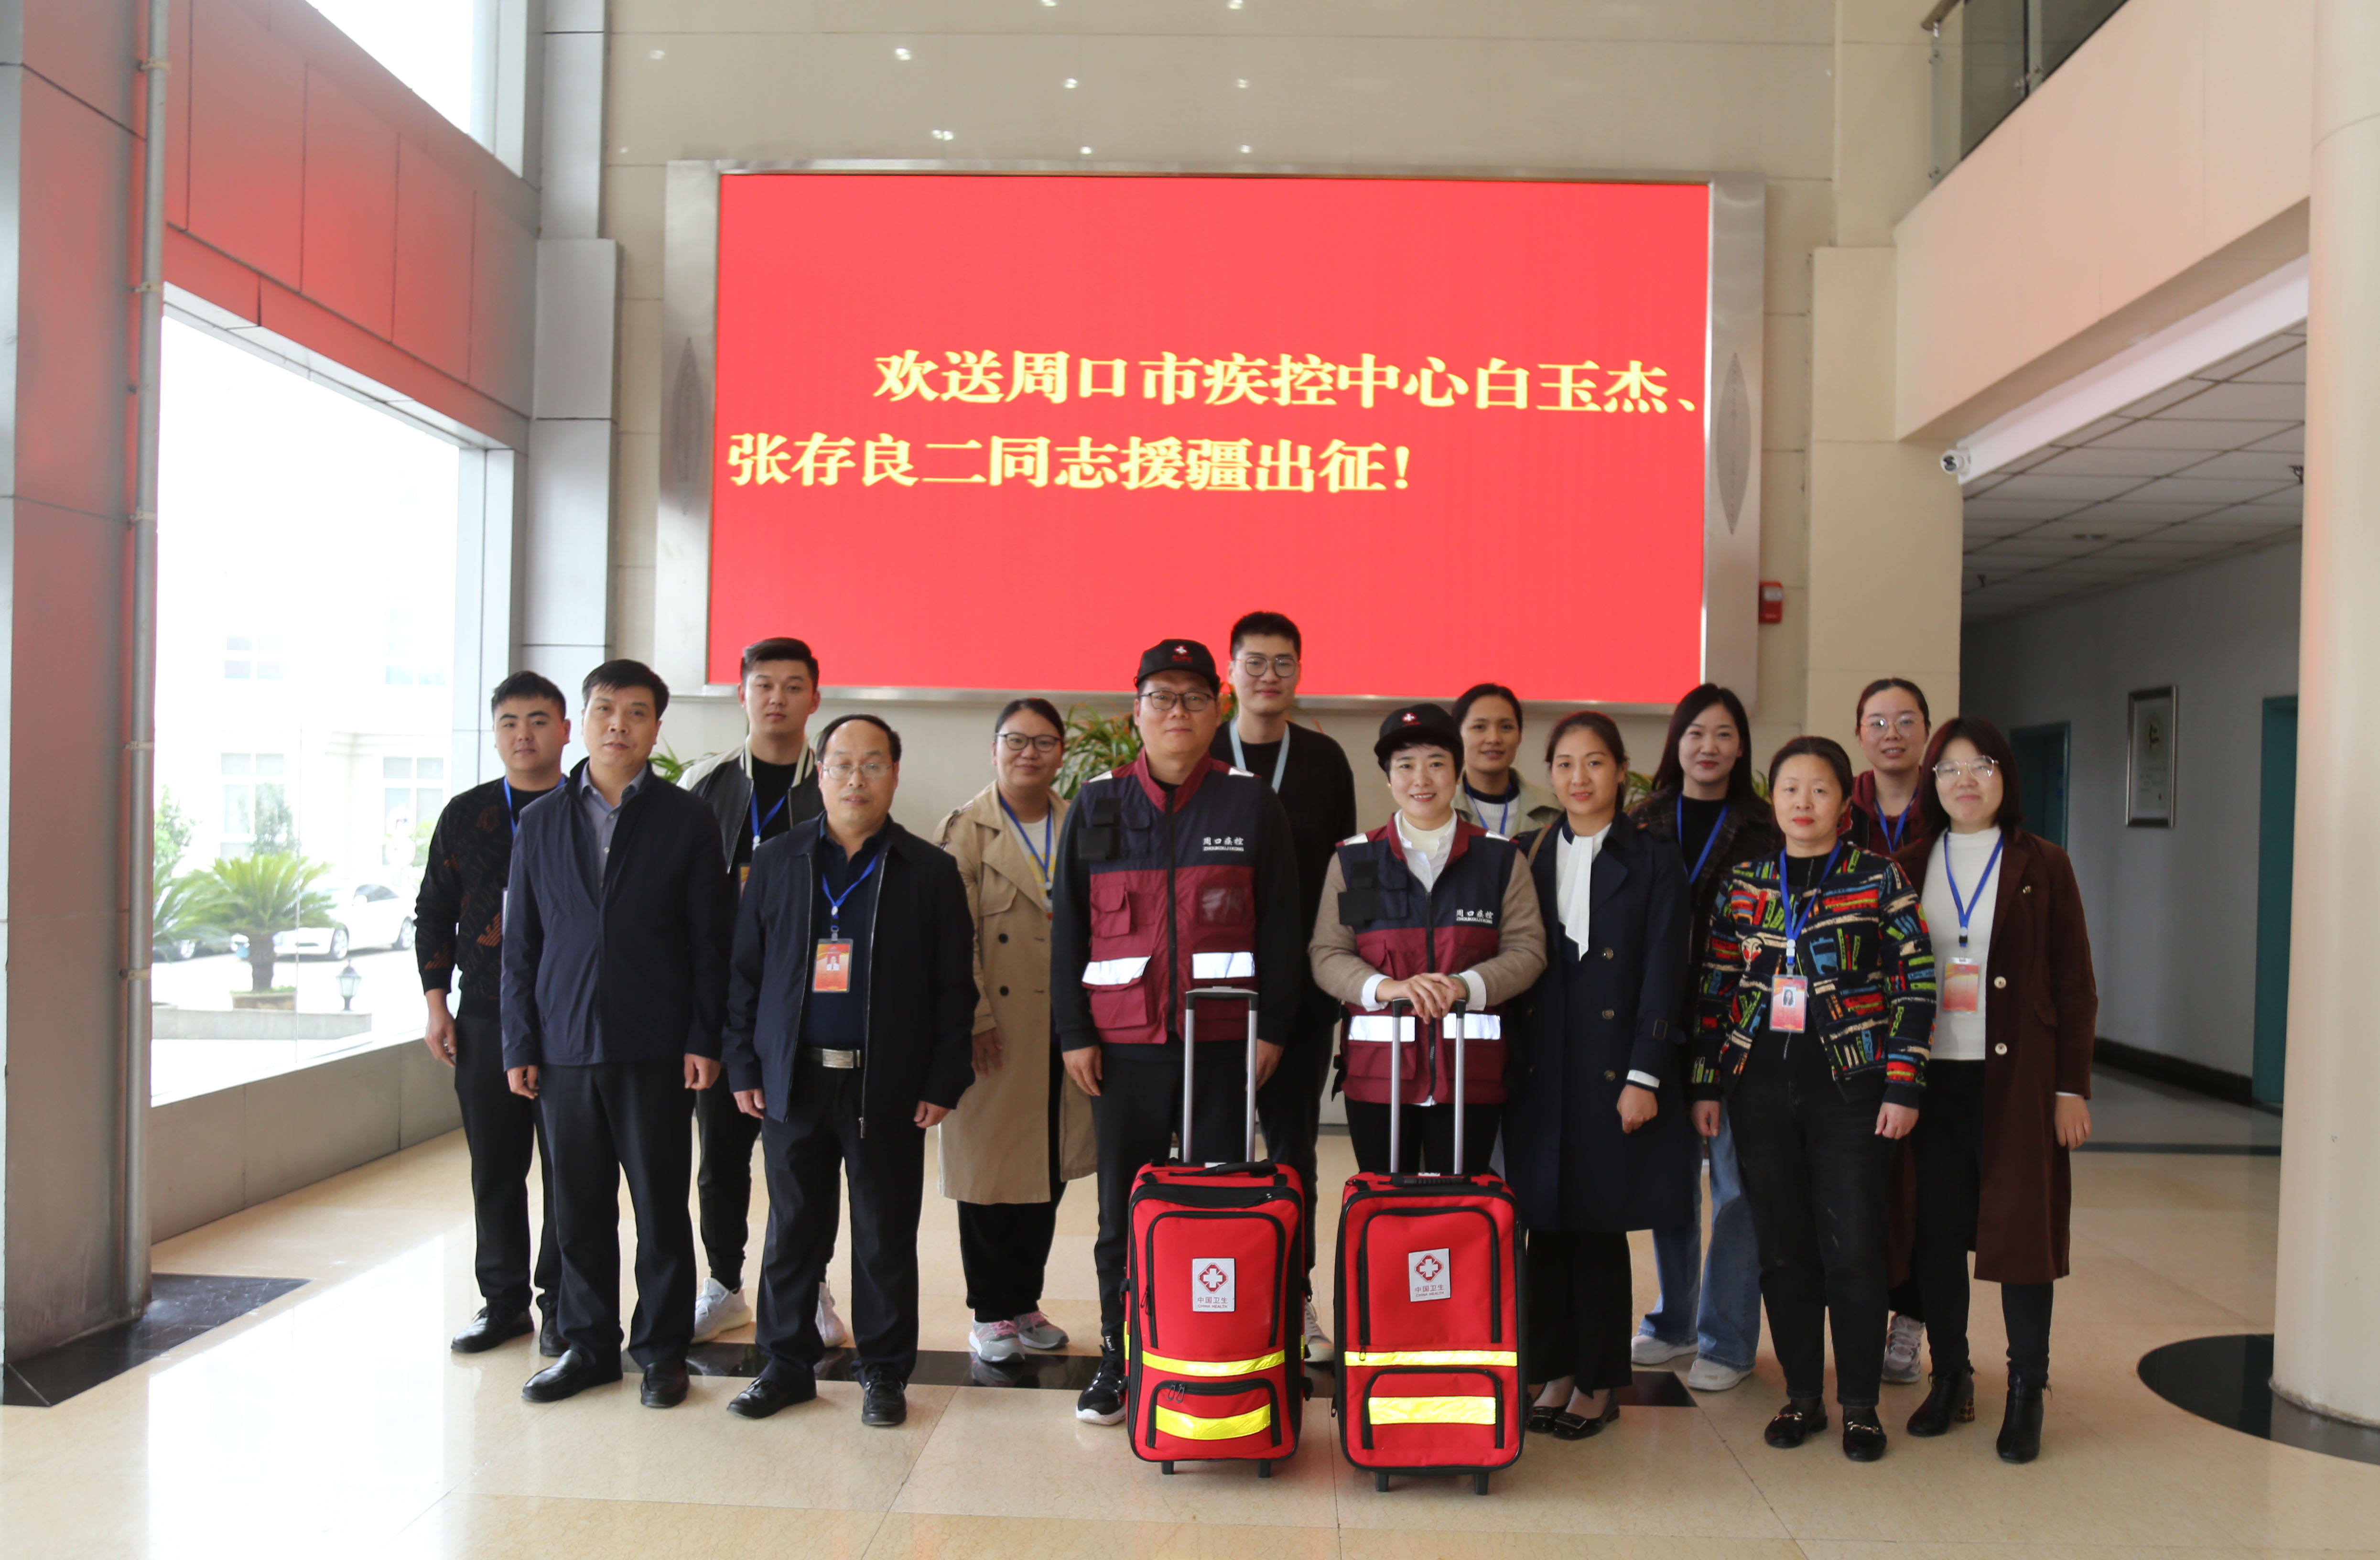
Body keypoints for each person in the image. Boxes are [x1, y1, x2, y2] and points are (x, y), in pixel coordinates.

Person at [1050, 639, 1303, 1427]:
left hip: (1222, 1044)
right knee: (1121, 1210)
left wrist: (1274, 1028)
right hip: (1122, 1045)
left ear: (1215, 710)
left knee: (1217, 1202)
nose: (1177, 711)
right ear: (1137, 711)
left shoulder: (1250, 803)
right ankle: (1119, 1358)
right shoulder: (1096, 803)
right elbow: (1070, 928)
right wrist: (1073, 1030)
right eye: (1161, 697)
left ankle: (1210, 1351)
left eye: (1194, 697)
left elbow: (1282, 923)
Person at [719, 715, 977, 1428]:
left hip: (886, 1084)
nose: (855, 779)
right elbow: (744, 974)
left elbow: (955, 988)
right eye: (841, 764)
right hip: (793, 1079)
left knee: (884, 1236)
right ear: (821, 770)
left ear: (894, 773)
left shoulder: (929, 871)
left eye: (872, 765)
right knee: (792, 1232)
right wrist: (744, 1061)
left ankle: (884, 1372)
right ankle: (785, 1366)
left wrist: (943, 1078)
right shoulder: (778, 860)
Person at [1693, 736, 1934, 1462]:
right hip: (1759, 1088)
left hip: (1853, 1091)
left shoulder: (1878, 878)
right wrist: (1706, 1083)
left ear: (1843, 802)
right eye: (1790, 788)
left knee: (1853, 1246)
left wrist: (1904, 1082)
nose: (1804, 802)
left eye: (1820, 789)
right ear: (1773, 799)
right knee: (1784, 1249)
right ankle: (1802, 1396)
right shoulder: (1745, 883)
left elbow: (1915, 983)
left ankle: (1859, 1405)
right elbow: (1716, 985)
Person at [501, 661, 732, 1409]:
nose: (619, 725)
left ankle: (662, 1350)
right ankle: (588, 1347)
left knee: (661, 1208)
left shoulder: (687, 818)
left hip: (655, 1045)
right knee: (577, 1210)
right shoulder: (541, 821)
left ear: (656, 728)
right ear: (584, 721)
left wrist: (703, 1037)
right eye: (605, 709)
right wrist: (519, 1043)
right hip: (563, 1047)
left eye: (636, 713)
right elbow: (521, 945)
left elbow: (709, 941)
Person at [1895, 718, 2097, 1463]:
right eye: (1948, 769)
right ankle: (1950, 1375)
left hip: (2019, 1081)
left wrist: (2071, 1088)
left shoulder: (2045, 864)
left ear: (2004, 776)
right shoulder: (1908, 864)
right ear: (1932, 784)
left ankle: (2026, 1389)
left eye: (1980, 765)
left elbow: (2074, 982)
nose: (1965, 781)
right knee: (1935, 1233)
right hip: (1930, 1079)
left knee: (2022, 1237)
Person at [1502, 712, 1690, 1440]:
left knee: (1599, 1225)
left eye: (1595, 763)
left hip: (1614, 1070)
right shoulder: (1528, 853)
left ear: (1621, 770)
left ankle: (1600, 1380)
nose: (1579, 778)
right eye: (1565, 764)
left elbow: (1665, 973)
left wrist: (1645, 1074)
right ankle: (1551, 1369)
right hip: (1542, 1067)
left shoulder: (1654, 858)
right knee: (1545, 1224)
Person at [678, 637, 838, 1348]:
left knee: (807, 1159)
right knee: (721, 1157)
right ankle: (724, 1284)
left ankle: (812, 1284)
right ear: (742, 694)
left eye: (793, 686)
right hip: (724, 1003)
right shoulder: (706, 784)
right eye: (764, 685)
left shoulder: (832, 781)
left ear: (815, 698)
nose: (777, 698)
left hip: (807, 1005)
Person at [1209, 609, 1358, 1362]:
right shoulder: (1202, 749)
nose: (1268, 676)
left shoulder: (1325, 761)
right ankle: (1217, 1301)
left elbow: (1346, 880)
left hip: (1299, 994)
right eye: (1254, 662)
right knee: (1212, 1150)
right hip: (1211, 994)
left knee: (1295, 1151)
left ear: (1300, 672)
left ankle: (1297, 1301)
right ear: (1230, 671)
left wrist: (1342, 988)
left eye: (1283, 664)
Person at [1309, 703, 1545, 1176]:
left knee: (1460, 1209)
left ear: (1457, 772)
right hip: (1378, 1075)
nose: (1421, 778)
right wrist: (1389, 988)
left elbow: (1528, 950)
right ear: (1388, 778)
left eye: (1436, 763)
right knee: (1383, 1207)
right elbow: (1328, 953)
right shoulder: (1356, 862)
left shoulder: (1500, 860)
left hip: (1470, 1075)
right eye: (1405, 765)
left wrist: (1463, 986)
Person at [934, 699, 1096, 1363]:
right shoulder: (965, 829)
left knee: (1047, 1169)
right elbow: (954, 938)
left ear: (1061, 753)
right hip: (997, 1029)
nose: (1029, 753)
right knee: (990, 1174)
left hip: (1065, 1026)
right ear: (994, 748)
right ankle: (990, 1313)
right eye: (1016, 740)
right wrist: (974, 1019)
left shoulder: (1079, 821)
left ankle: (1024, 1301)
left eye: (1044, 742)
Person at [417, 672, 570, 1358]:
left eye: (537, 721)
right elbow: (433, 910)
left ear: (564, 730)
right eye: (509, 723)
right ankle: (503, 1303)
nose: (523, 735)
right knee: (495, 1169)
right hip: (483, 1017)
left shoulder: (585, 810)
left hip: (568, 1020)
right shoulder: (467, 813)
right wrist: (436, 1004)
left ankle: (563, 1303)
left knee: (570, 1168)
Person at [1627, 685, 1774, 1394]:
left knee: (1737, 1189)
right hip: (1661, 1024)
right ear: (1677, 742)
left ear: (1741, 746)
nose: (1708, 747)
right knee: (1671, 1185)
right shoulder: (1642, 821)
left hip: (1740, 1030)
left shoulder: (1767, 828)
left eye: (1723, 734)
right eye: (1695, 733)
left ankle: (1728, 1338)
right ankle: (1673, 1322)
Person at [1848, 675, 1935, 1383]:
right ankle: (1859, 1321)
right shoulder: (1839, 808)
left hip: (1930, 1016)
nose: (1892, 734)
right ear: (1859, 734)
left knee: (1926, 1188)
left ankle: (1911, 1321)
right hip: (1851, 1027)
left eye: (1906, 720)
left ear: (1927, 731)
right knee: (1865, 1184)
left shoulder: (1952, 807)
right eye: (1878, 722)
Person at [1450, 682, 1560, 836]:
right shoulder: (1438, 808)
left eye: (1506, 727)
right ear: (1457, 735)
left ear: (1520, 736)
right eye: (1480, 727)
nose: (1494, 739)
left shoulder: (1553, 810)